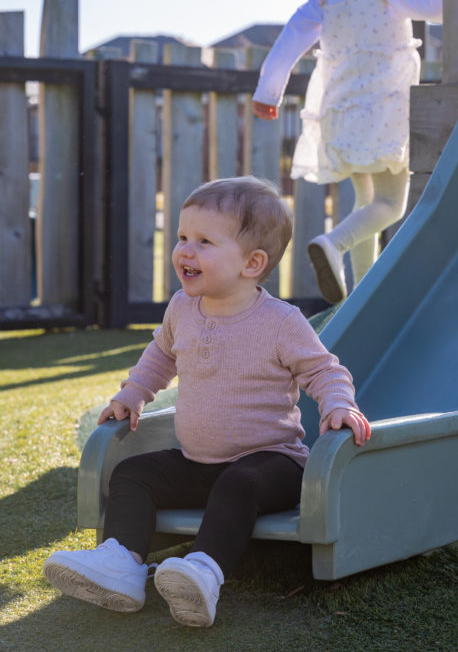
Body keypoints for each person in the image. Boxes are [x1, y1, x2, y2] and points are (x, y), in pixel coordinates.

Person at [43, 176, 370, 628]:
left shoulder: (280, 321)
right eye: (181, 237)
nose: (184, 251)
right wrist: (133, 394)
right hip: (199, 462)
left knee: (240, 484)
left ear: (252, 263)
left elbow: (323, 370)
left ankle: (202, 571)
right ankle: (122, 563)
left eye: (203, 241)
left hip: (272, 463)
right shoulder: (182, 308)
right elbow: (160, 354)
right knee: (132, 473)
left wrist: (338, 403)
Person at [253, 0, 443, 304]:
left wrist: (268, 91)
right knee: (391, 204)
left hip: (341, 113)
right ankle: (333, 244)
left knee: (367, 201)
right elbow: (436, 7)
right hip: (383, 114)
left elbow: (290, 40)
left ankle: (362, 296)